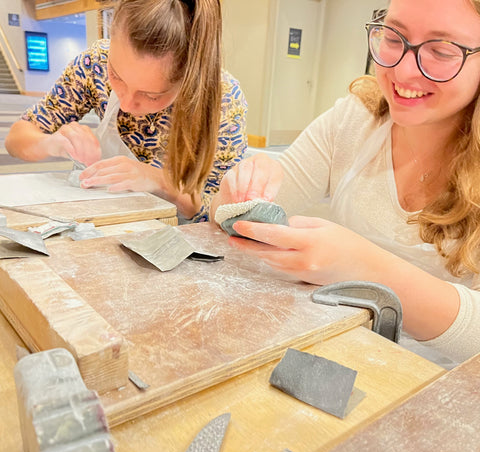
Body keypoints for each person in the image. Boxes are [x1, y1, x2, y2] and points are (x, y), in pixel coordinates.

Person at [211, 0, 480, 364]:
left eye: (441, 50)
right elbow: (226, 211)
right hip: (340, 353)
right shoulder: (356, 119)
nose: (402, 69)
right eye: (394, 36)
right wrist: (240, 191)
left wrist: (365, 268)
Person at [5, 0, 247, 223]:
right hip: (107, 218)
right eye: (117, 76)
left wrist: (158, 180)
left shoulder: (223, 101)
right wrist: (51, 143)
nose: (127, 104)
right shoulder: (94, 63)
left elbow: (221, 213)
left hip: (179, 233)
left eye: (152, 95)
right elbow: (16, 138)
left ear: (187, 78)